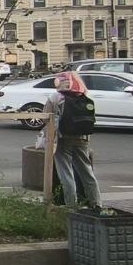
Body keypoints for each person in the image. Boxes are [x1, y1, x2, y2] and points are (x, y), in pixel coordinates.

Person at [47, 72, 101, 208]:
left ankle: (71, 205)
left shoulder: (56, 97)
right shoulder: (86, 96)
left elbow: (46, 115)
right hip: (83, 138)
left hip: (63, 138)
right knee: (86, 172)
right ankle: (96, 204)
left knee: (65, 173)